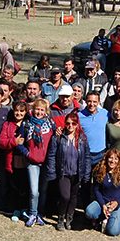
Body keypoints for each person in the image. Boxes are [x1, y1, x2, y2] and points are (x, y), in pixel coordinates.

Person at [46, 112, 91, 231]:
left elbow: (86, 157)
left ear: (77, 124)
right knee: (65, 196)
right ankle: (61, 218)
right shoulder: (59, 137)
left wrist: (86, 173)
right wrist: (52, 171)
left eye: (73, 123)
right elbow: (52, 154)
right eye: (68, 123)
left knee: (73, 197)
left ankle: (69, 218)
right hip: (63, 172)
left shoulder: (82, 138)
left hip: (77, 173)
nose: (70, 125)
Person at [17, 99, 55, 227]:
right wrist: (27, 153)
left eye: (42, 110)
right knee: (34, 190)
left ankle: (40, 213)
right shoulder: (27, 124)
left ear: (46, 112)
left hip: (46, 162)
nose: (39, 112)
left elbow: (55, 140)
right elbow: (19, 143)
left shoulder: (50, 124)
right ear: (33, 110)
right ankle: (32, 213)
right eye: (37, 109)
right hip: (32, 162)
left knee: (43, 190)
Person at [84, 148, 120, 237]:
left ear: (119, 160)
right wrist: (103, 205)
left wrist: (117, 202)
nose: (112, 161)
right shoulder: (100, 170)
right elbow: (96, 190)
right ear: (106, 158)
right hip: (104, 201)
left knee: (113, 231)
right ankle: (104, 217)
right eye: (110, 158)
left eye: (115, 159)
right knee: (89, 212)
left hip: (119, 203)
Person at [79, 91, 109, 167]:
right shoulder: (79, 116)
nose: (92, 104)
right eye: (89, 101)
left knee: (99, 178)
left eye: (94, 102)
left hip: (101, 153)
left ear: (98, 102)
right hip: (85, 154)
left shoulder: (105, 113)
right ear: (85, 101)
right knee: (85, 178)